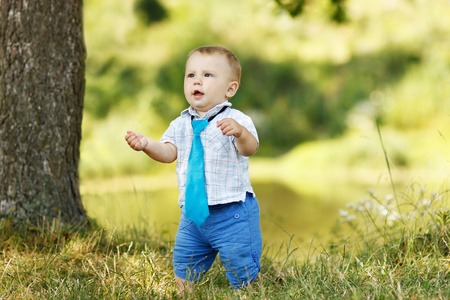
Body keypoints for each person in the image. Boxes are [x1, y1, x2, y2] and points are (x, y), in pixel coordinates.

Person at [125, 45, 262, 291]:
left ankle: (246, 291)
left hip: (232, 213)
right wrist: (146, 144)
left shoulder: (237, 120)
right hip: (193, 216)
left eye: (208, 75)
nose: (197, 80)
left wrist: (240, 134)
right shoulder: (180, 124)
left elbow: (249, 149)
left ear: (230, 88)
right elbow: (168, 153)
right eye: (191, 75)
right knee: (183, 262)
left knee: (240, 265)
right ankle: (184, 292)